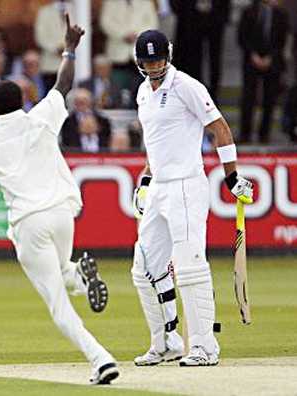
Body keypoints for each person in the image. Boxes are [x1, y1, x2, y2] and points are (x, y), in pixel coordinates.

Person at [0, 15, 119, 385]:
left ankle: (101, 359)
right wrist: (70, 48)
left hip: (29, 223)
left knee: (57, 304)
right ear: (21, 101)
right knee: (62, 269)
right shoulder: (40, 117)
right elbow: (63, 83)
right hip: (63, 213)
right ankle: (80, 274)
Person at [131, 30, 253, 367]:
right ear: (139, 62)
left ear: (168, 56)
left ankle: (204, 347)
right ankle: (166, 342)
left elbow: (220, 128)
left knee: (189, 266)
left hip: (186, 185)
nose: (154, 67)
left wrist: (231, 176)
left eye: (158, 60)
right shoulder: (143, 93)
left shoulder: (186, 85)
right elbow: (156, 144)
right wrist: (144, 181)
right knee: (144, 269)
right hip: (159, 188)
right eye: (148, 61)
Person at [238, 0, 290, 143]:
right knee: (248, 98)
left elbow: (282, 41)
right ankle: (245, 134)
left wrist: (271, 57)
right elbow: (242, 37)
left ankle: (264, 134)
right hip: (251, 61)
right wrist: (253, 55)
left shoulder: (281, 15)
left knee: (270, 99)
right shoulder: (249, 11)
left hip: (272, 63)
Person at [171, 1, 231, 102]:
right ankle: (194, 95)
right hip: (190, 16)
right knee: (193, 59)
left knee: (214, 60)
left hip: (215, 15)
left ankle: (213, 98)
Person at [100, 0, 158, 93]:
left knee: (141, 89)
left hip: (140, 54)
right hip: (117, 55)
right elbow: (105, 23)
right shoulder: (110, 2)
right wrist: (123, 34)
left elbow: (153, 23)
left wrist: (138, 35)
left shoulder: (146, 2)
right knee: (116, 88)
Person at [34, 1, 73, 85]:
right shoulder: (45, 11)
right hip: (51, 65)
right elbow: (40, 37)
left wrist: (69, 48)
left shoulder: (75, 10)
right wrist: (56, 49)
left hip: (72, 64)